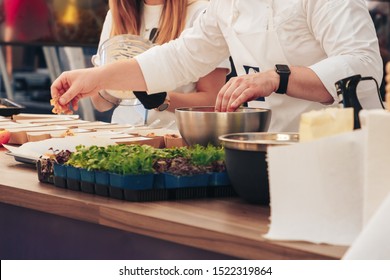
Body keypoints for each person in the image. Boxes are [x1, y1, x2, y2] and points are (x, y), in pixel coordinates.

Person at [51, 0, 383, 132]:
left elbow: (363, 65)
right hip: (269, 148)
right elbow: (180, 57)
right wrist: (96, 77)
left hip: (343, 145)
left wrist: (277, 78)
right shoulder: (226, 3)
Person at [89, 0, 230, 128]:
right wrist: (104, 85)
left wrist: (162, 99)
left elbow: (212, 101)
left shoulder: (201, 13)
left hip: (177, 137)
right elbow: (101, 104)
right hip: (123, 134)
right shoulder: (115, 15)